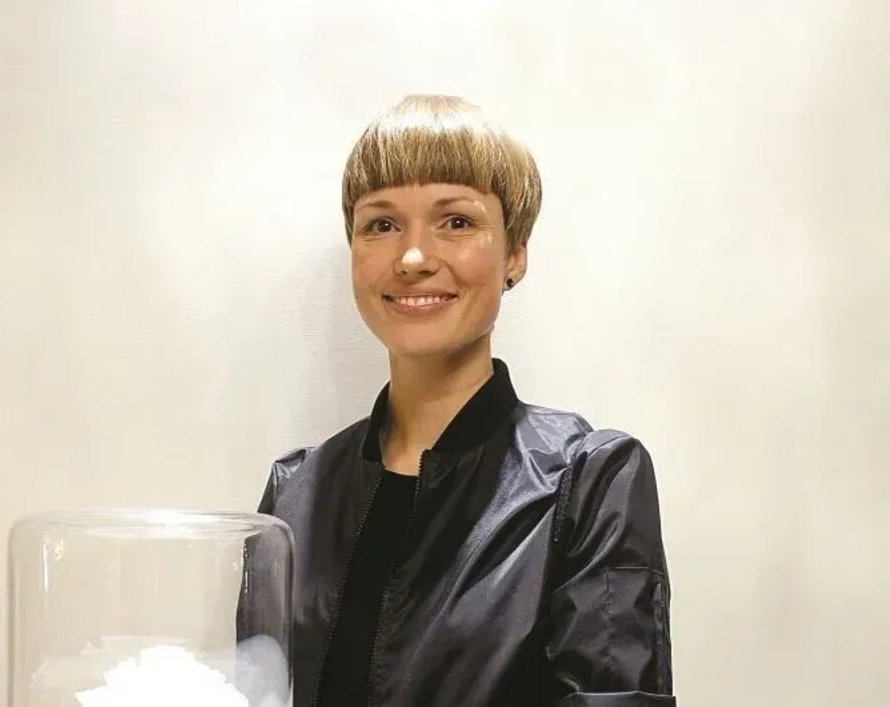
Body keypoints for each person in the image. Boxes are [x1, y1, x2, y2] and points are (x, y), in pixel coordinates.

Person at [255, 95, 673, 706]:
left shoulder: (588, 482)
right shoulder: (295, 491)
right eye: (381, 224)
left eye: (455, 221)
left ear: (515, 255)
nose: (413, 258)